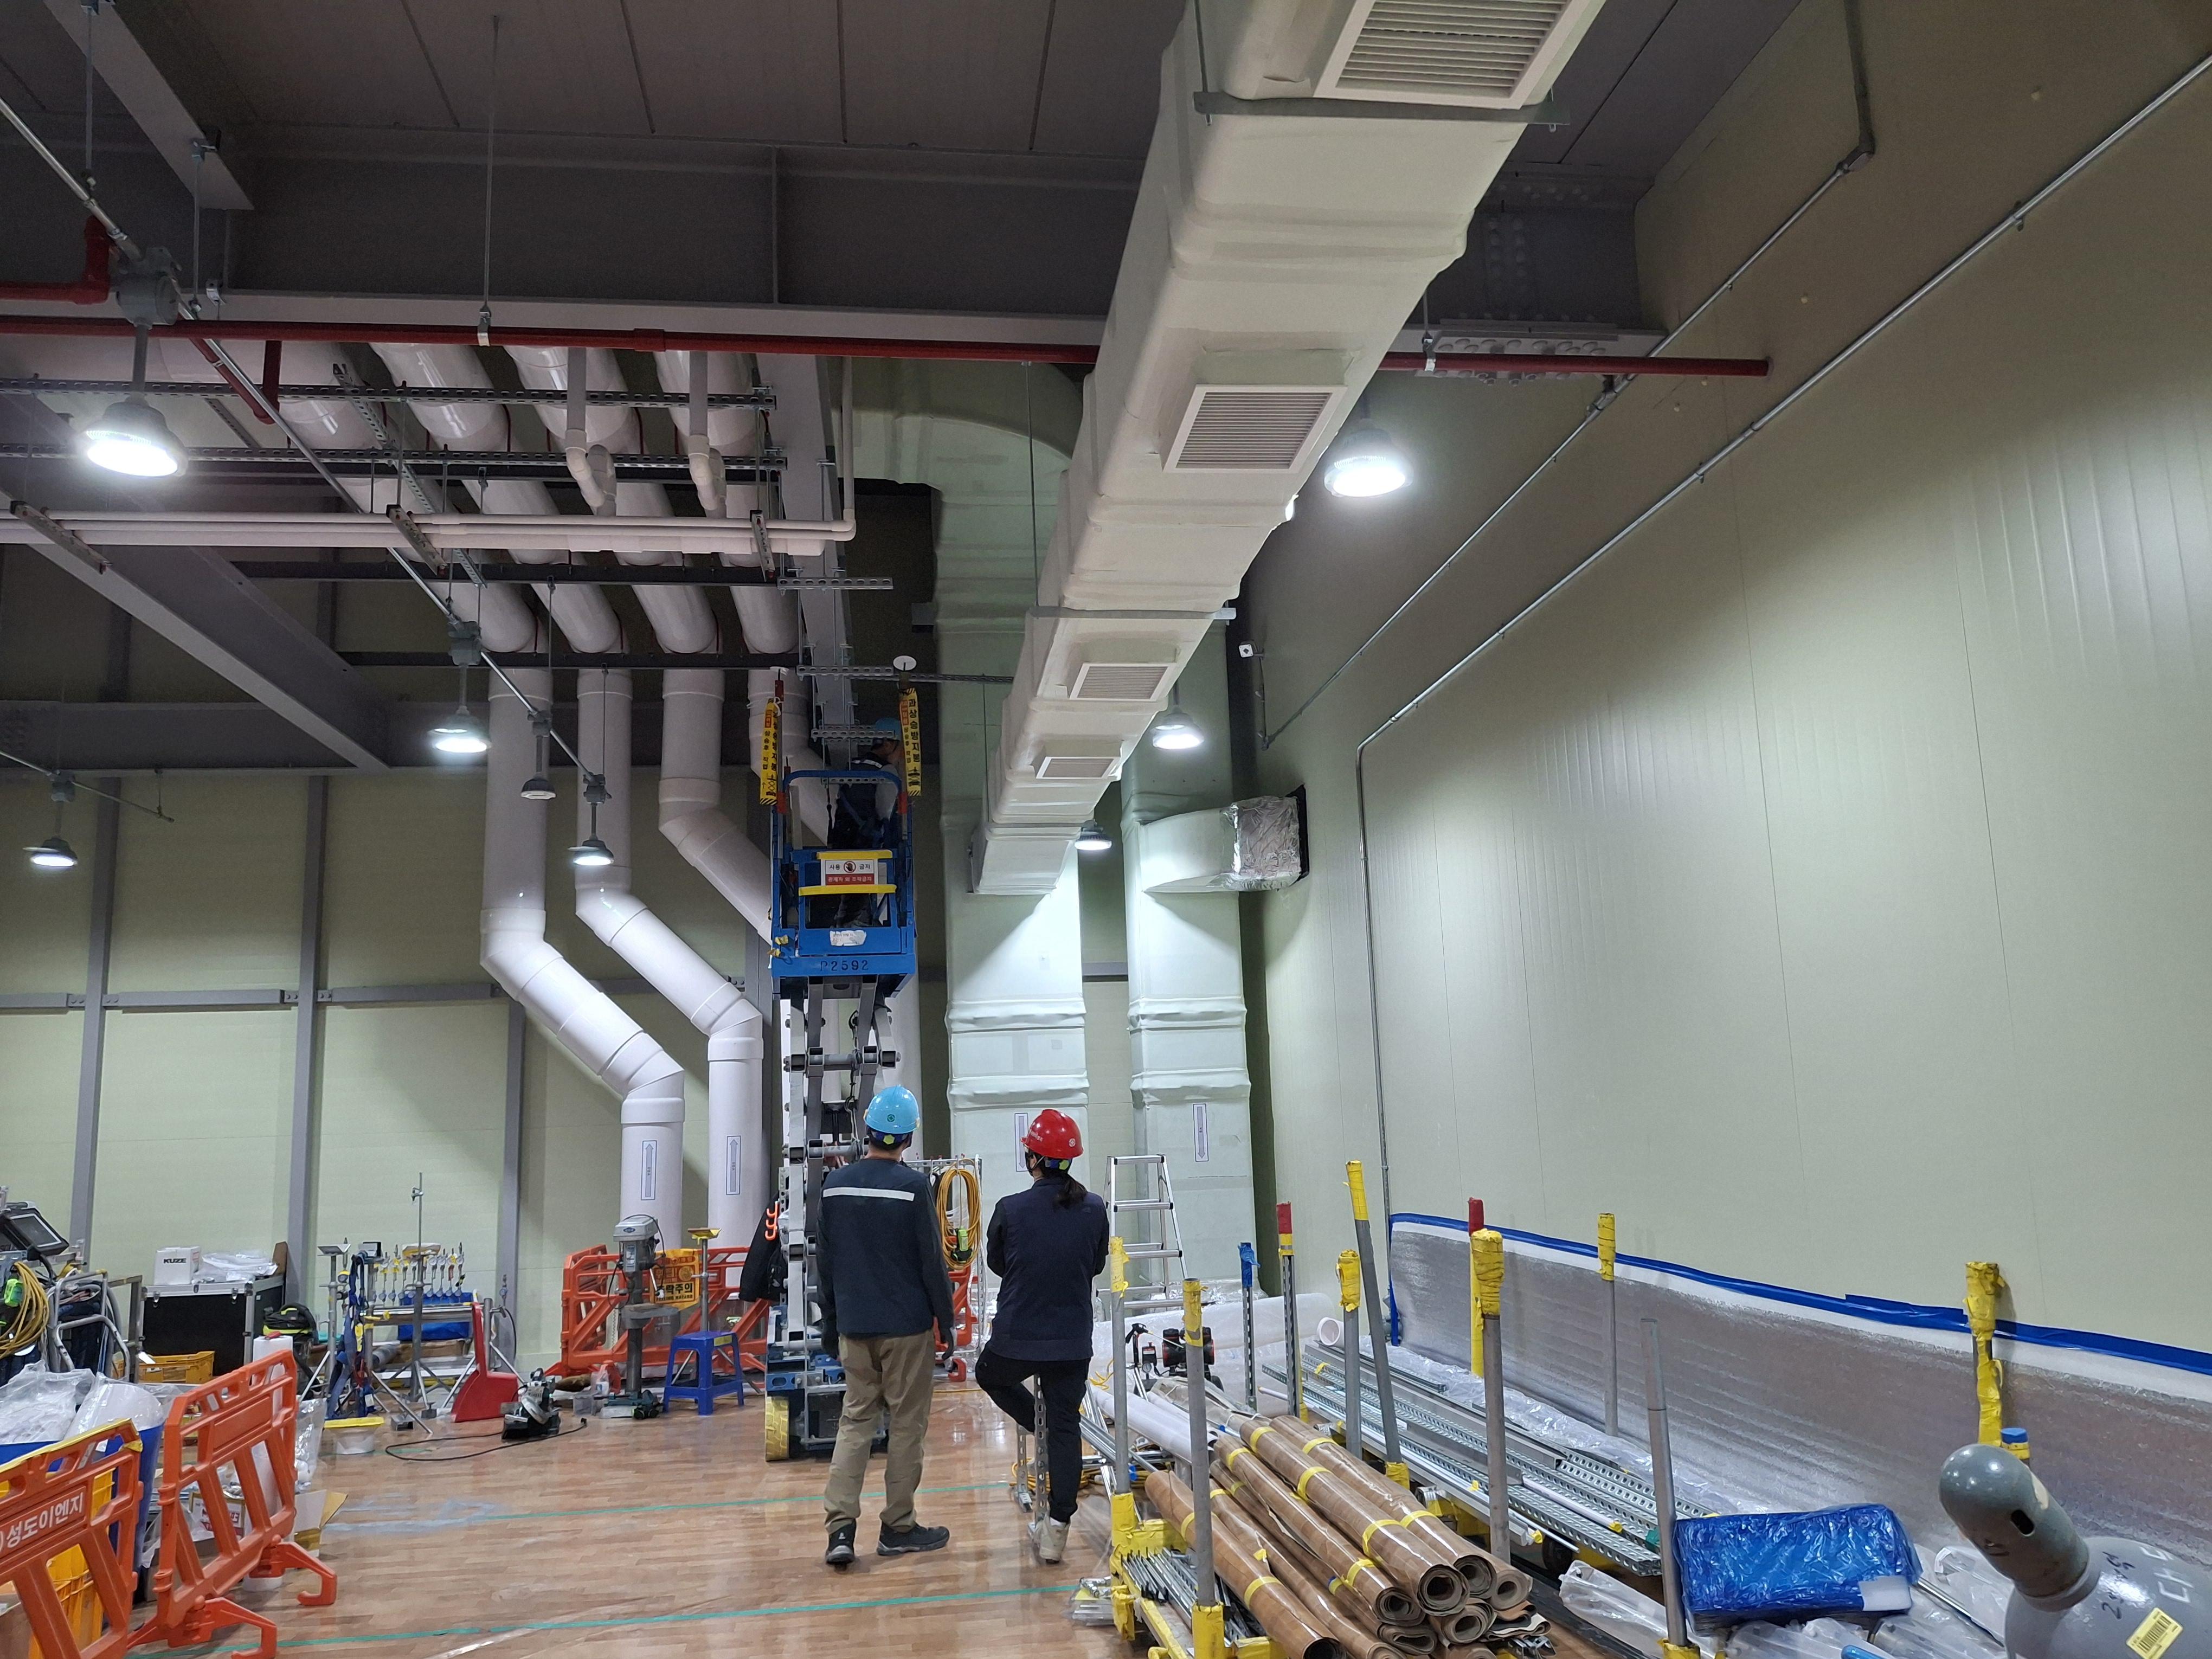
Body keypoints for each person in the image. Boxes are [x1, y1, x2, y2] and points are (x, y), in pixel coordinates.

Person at [819, 1084, 956, 1569]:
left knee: (855, 1421)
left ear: (869, 1131)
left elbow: (826, 1265)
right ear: (909, 1138)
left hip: (855, 1326)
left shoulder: (835, 1187)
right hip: (906, 1329)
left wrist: (831, 1324)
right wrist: (947, 1321)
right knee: (906, 1425)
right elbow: (931, 1262)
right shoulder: (913, 1188)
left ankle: (840, 1529)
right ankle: (898, 1527)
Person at [975, 1109, 1109, 1565]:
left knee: (989, 1375)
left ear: (1032, 1158)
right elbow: (1096, 1264)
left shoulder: (1011, 1209)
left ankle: (1040, 1422)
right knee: (1066, 1426)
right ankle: (1057, 1529)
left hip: (1018, 1338)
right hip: (1072, 1341)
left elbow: (998, 1263)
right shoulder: (1094, 1209)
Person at [829, 717, 904, 851]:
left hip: (842, 840)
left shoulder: (852, 765)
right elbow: (885, 814)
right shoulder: (886, 770)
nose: (901, 755)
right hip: (867, 843)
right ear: (888, 745)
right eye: (901, 748)